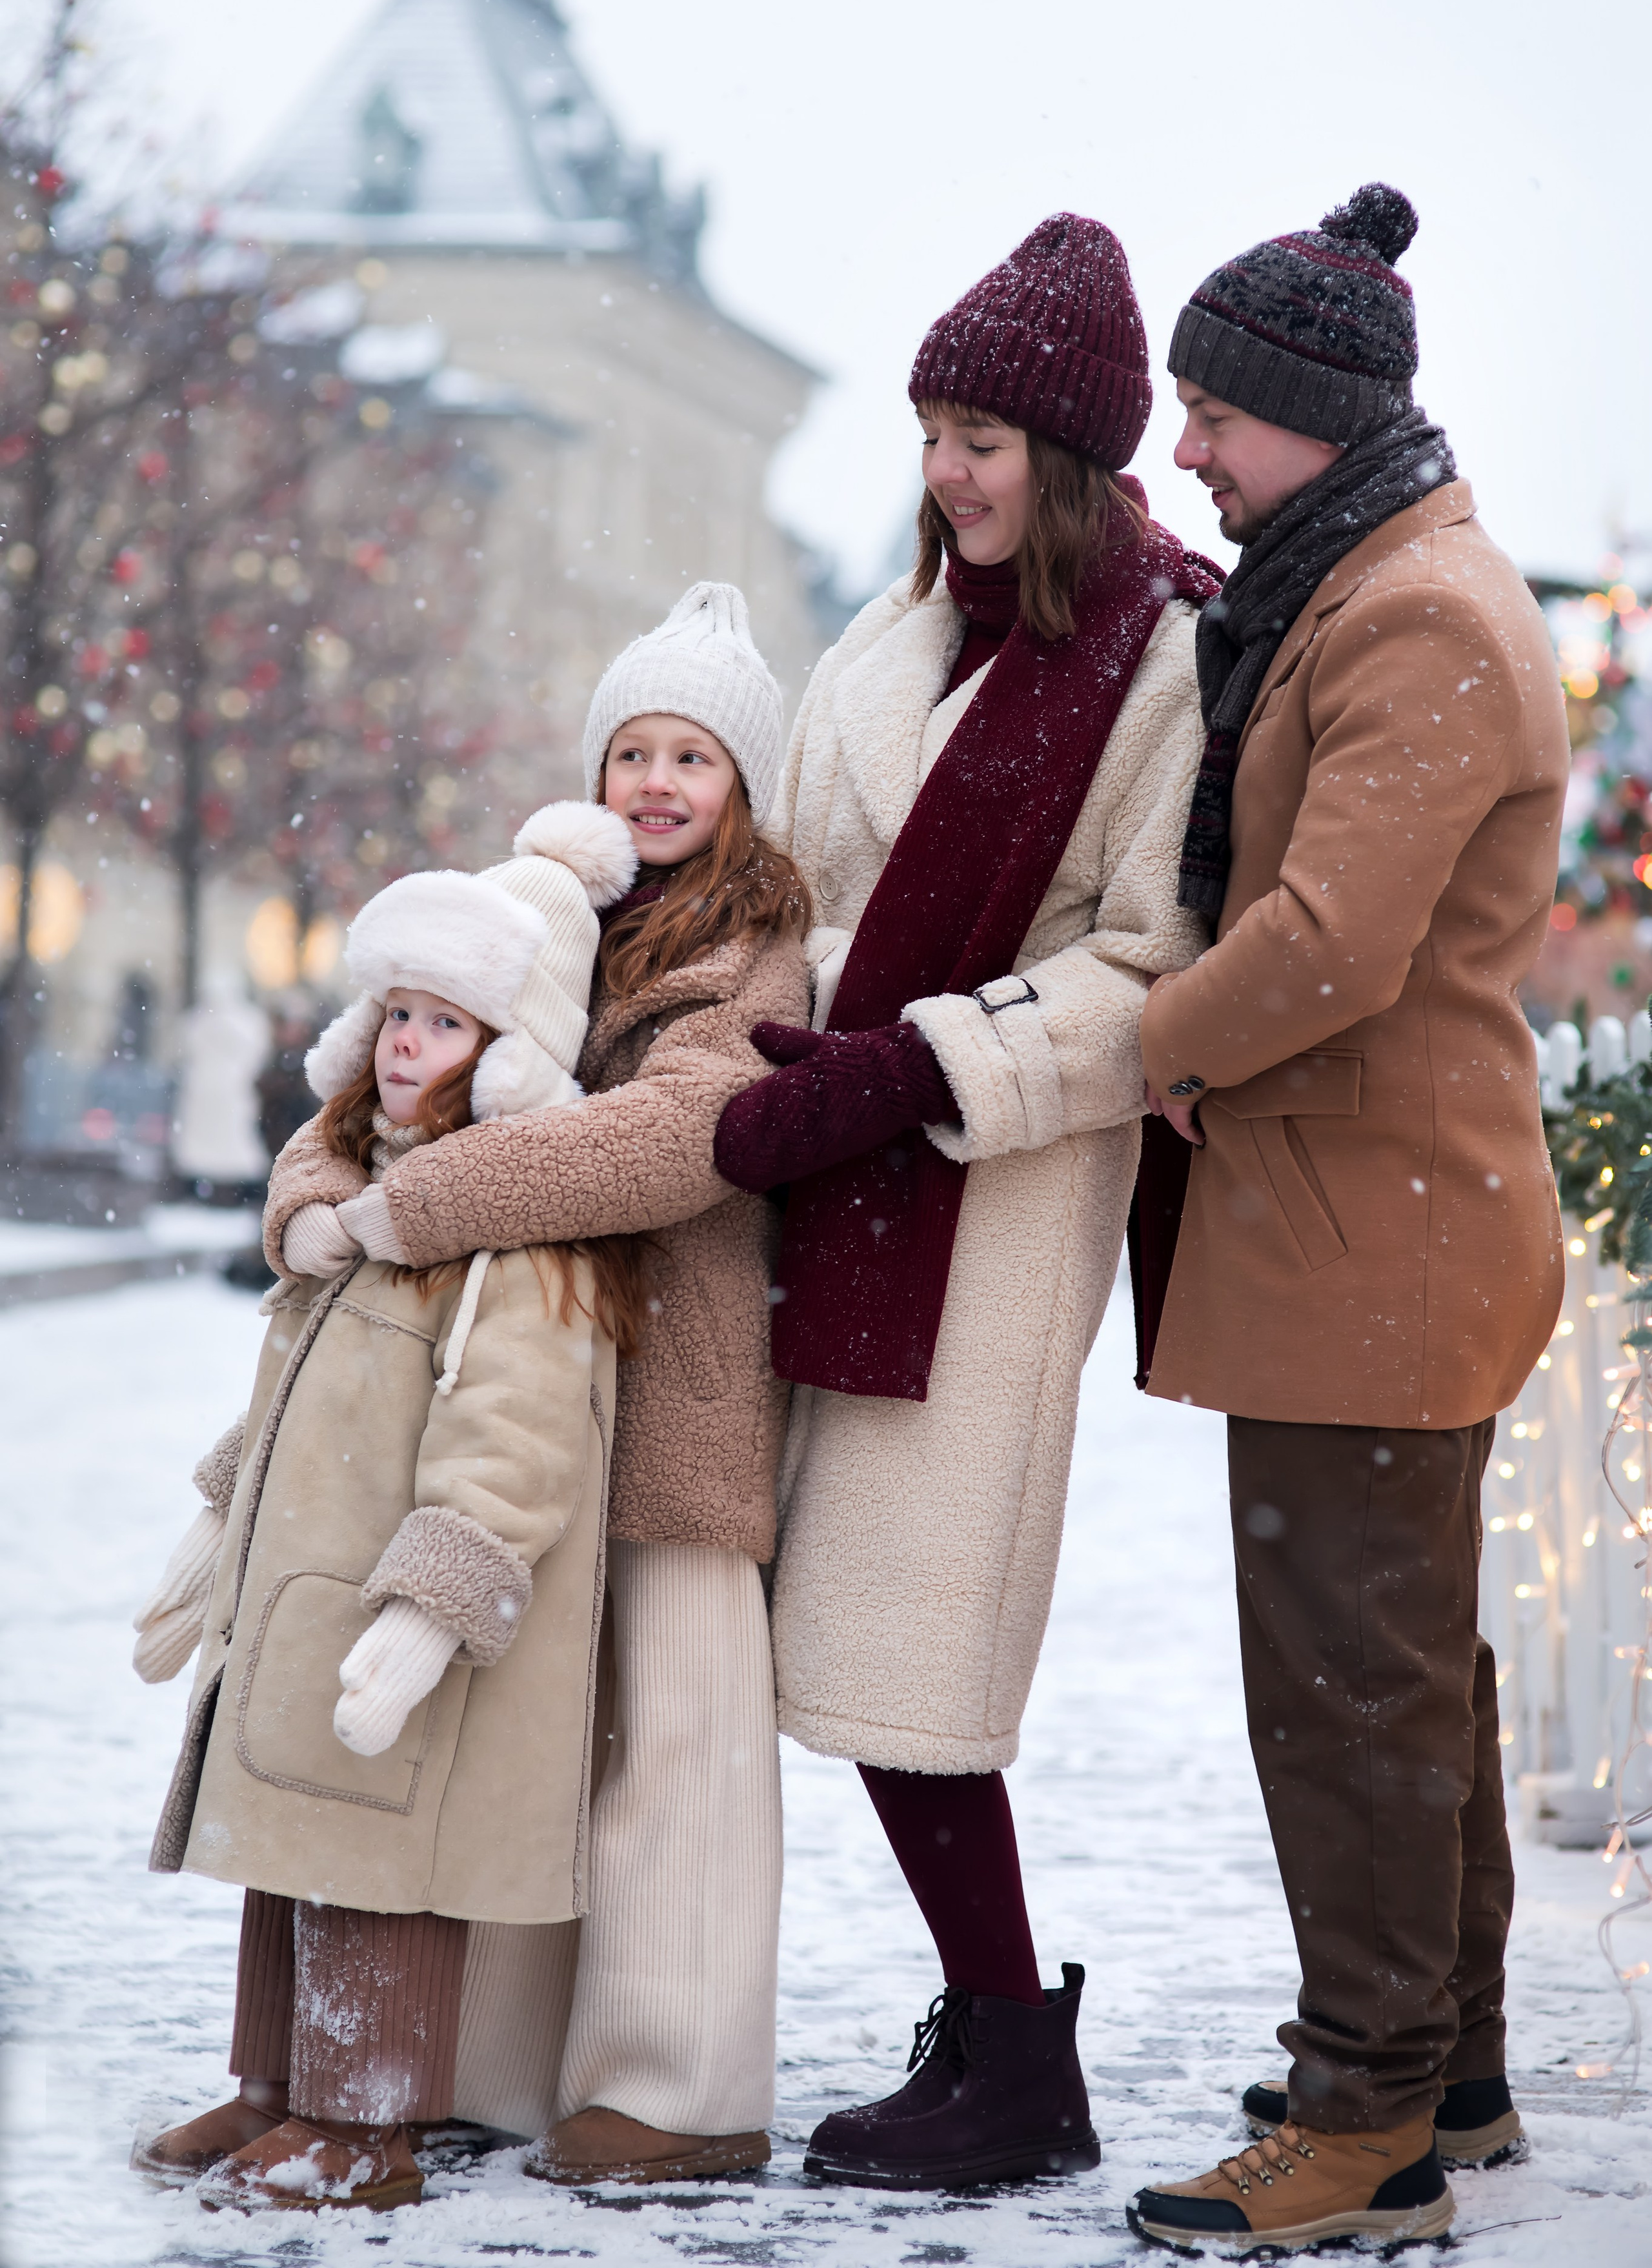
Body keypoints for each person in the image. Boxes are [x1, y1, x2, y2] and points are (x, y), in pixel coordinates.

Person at [712, 215, 1220, 2189]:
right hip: (818, 1169)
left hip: (987, 1193)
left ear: (1073, 456)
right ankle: (994, 2038)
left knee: (916, 1648)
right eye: (930, 433)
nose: (947, 472)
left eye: (984, 439)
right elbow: (793, 887)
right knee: (822, 1632)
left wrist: (916, 1065)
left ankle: (1014, 2060)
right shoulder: (894, 633)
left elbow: (1152, 964)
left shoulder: (1161, 658)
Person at [1126, 185, 1568, 2254]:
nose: (1187, 450)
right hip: (1370, 1223)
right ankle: (1446, 2068)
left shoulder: (1415, 615)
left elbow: (1326, 942)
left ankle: (1364, 2124)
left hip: (1374, 1237)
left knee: (1348, 1697)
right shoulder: (1368, 582)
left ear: (1316, 412)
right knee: (1405, 1674)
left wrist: (1149, 1046)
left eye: (1213, 413)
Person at [259, 581, 812, 2184]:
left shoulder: (758, 950)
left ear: (742, 782)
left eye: (691, 755)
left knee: (678, 1743)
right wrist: (313, 1194)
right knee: (527, 1739)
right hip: (521, 1376)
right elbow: (389, 1057)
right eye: (630, 750)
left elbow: (676, 1139)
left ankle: (680, 2086)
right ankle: (497, 2067)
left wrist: (416, 1203)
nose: (654, 781)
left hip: (681, 1379)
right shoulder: (540, 909)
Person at [130, 802, 641, 2212]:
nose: (409, 1042)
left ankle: (366, 2122)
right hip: (305, 1596)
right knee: (285, 1852)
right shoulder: (368, 1210)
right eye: (399, 1013)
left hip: (394, 1611)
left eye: (447, 1023)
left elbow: (516, 1439)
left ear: (508, 1054)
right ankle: (275, 2085)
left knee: (374, 1865)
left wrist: (430, 1610)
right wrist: (217, 1517)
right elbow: (297, 1395)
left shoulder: (515, 1243)